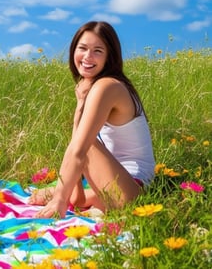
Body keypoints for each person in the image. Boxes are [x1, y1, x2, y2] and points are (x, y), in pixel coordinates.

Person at [28, 21, 155, 218]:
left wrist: (59, 201)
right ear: (73, 51)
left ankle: (60, 194)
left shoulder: (107, 87)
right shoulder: (97, 86)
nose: (87, 57)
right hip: (116, 182)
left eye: (97, 51)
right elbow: (77, 144)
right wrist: (79, 107)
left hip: (132, 191)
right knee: (77, 194)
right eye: (83, 48)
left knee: (84, 142)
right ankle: (77, 196)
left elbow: (80, 148)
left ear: (109, 57)